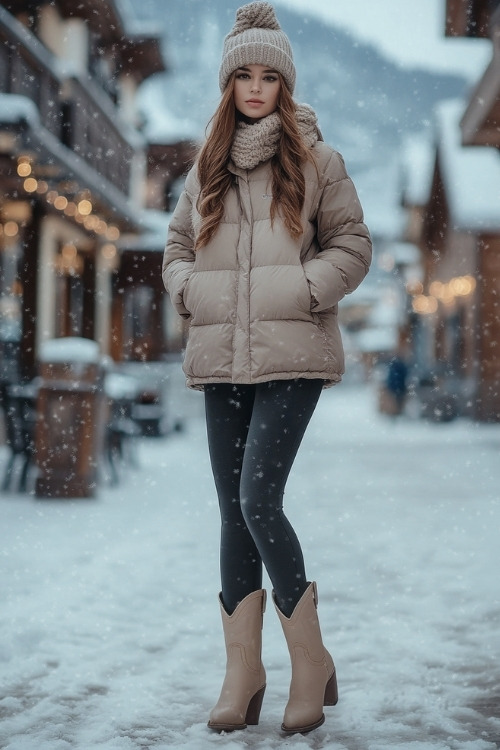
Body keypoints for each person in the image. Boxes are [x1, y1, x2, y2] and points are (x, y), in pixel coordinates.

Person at [162, 0, 372, 735]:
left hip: (292, 356)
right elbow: (177, 248)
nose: (256, 88)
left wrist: (306, 290)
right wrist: (188, 288)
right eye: (243, 76)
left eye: (268, 77)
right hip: (222, 358)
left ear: (285, 84)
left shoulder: (320, 162)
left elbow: (352, 245)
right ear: (229, 86)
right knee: (229, 514)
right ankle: (243, 671)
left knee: (257, 500)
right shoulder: (205, 167)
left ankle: (308, 661)